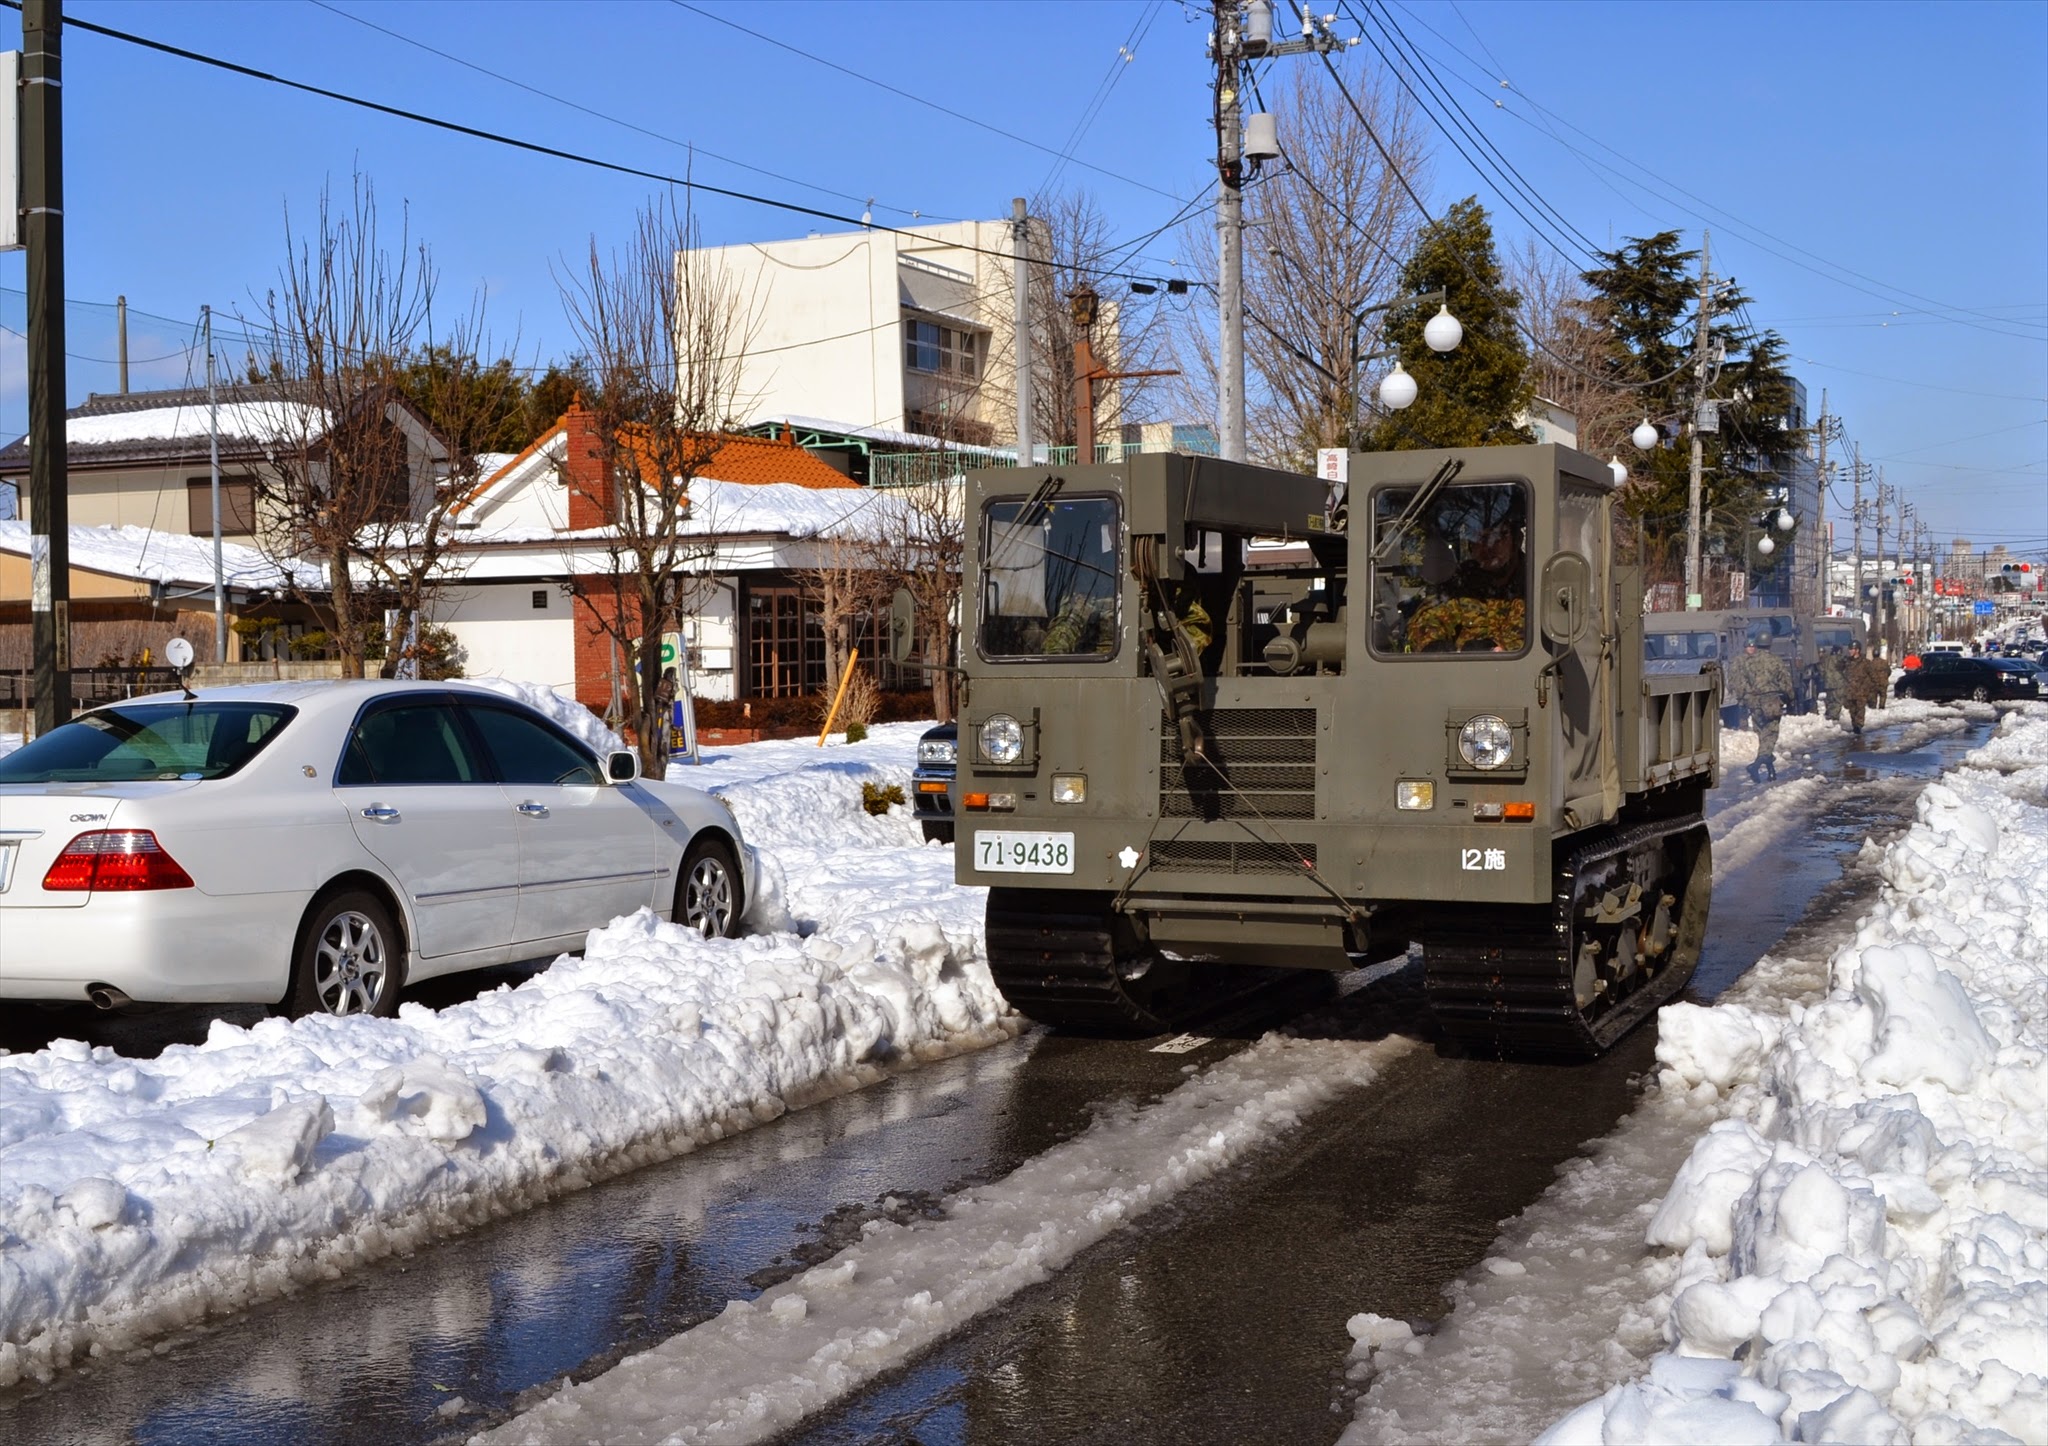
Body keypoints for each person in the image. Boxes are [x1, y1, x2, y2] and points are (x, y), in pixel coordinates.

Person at [1406, 521, 1527, 653]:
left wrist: (1497, 650)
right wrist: (1432, 644)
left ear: (1516, 542)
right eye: (1480, 539)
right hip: (1461, 670)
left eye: (1498, 538)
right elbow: (1428, 619)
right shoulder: (1460, 582)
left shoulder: (1535, 582)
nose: (1488, 547)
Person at [1731, 640, 1793, 781]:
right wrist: (1790, 697)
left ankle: (1771, 772)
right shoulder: (1775, 660)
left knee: (1763, 737)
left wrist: (1747, 699)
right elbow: (1785, 682)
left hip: (1755, 703)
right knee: (1770, 736)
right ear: (1770, 645)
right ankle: (1755, 765)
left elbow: (1741, 683)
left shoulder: (1747, 662)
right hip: (1771, 701)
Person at [1842, 640, 1889, 736]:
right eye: (1849, 649)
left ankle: (1858, 726)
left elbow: (1873, 676)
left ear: (1857, 650)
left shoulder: (1865, 663)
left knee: (1860, 709)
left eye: (1852, 649)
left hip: (1861, 691)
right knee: (1852, 711)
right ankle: (1855, 725)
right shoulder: (1847, 662)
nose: (1850, 651)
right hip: (1850, 691)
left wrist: (1871, 689)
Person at [1818, 645, 1849, 723]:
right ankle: (1834, 718)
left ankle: (1829, 715)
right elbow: (1845, 666)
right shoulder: (1838, 658)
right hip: (1838, 683)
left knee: (1830, 700)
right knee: (1838, 701)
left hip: (1828, 683)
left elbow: (1821, 670)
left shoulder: (1826, 659)